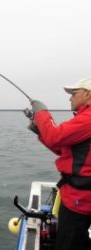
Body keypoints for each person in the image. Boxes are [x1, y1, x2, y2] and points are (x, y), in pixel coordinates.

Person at [25, 78, 91, 250]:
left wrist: (41, 112)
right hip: (78, 195)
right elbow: (64, 150)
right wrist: (40, 131)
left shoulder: (88, 118)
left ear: (88, 94)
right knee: (78, 238)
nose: (70, 98)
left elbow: (55, 135)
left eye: (74, 94)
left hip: (80, 199)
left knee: (67, 243)